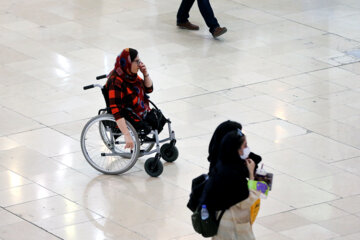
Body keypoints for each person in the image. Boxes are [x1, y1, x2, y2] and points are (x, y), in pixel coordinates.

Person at [202, 129, 262, 240]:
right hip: (235, 227)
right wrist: (252, 176)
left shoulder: (220, 166)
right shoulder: (234, 174)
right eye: (245, 146)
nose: (247, 148)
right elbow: (245, 202)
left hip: (221, 223)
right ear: (237, 150)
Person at [103, 48, 154, 149]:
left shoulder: (130, 76)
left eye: (140, 61)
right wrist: (127, 134)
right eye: (137, 61)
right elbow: (116, 110)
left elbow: (149, 89)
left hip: (137, 110)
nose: (140, 64)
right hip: (127, 114)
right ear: (128, 62)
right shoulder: (115, 81)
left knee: (158, 119)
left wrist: (145, 74)